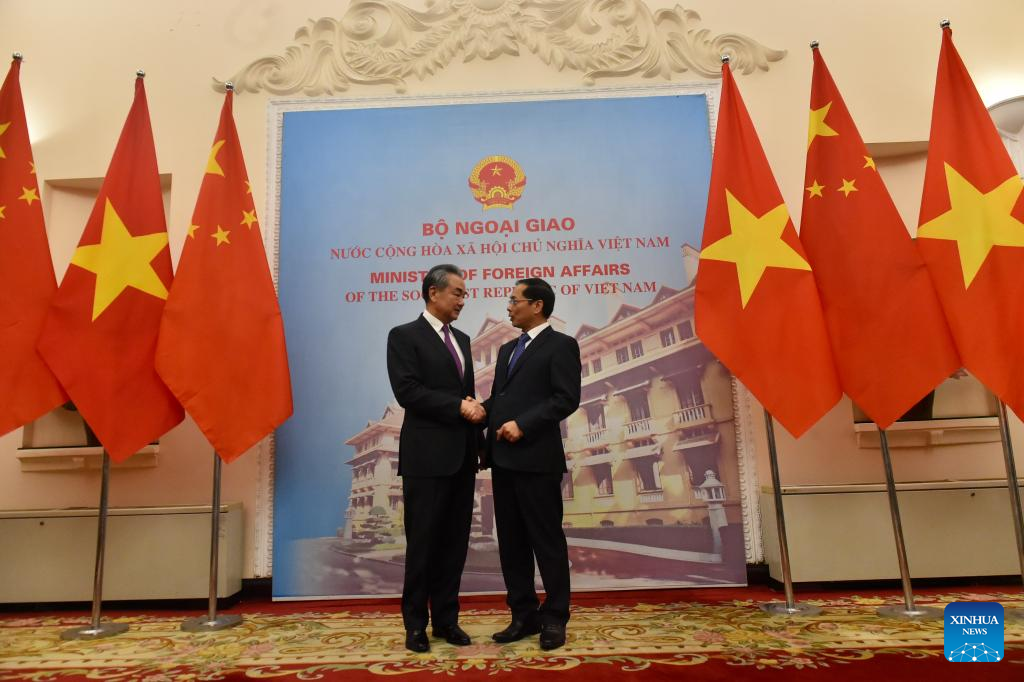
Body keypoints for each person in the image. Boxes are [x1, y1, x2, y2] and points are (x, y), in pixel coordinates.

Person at [386, 264, 485, 653]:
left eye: (464, 293)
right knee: (423, 544)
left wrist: (478, 443)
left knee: (454, 544)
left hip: (461, 458)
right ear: (433, 293)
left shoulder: (461, 338)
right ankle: (415, 625)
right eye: (458, 292)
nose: (463, 300)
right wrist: (460, 408)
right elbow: (407, 392)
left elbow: (470, 396)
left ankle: (447, 620)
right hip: (426, 459)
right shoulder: (404, 336)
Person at [482, 277, 581, 651]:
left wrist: (523, 425)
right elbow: (500, 399)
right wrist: (479, 411)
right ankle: (523, 615)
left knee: (547, 541)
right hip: (504, 461)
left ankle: (555, 618)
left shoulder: (562, 345)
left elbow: (566, 398)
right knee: (511, 543)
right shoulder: (507, 350)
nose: (508, 306)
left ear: (537, 305)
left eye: (514, 300)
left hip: (539, 461)